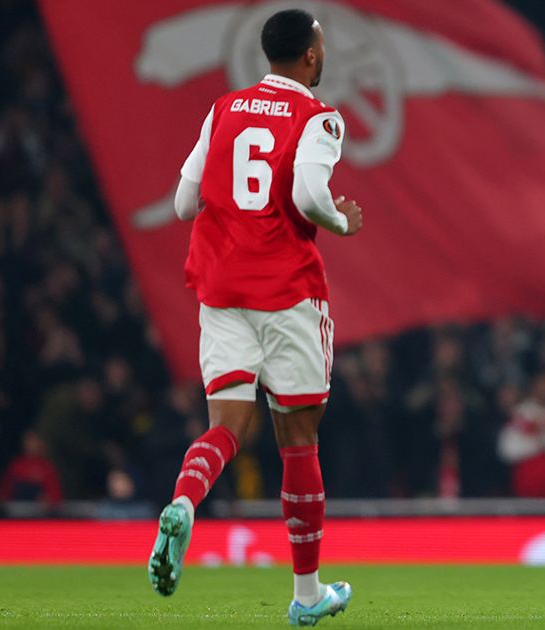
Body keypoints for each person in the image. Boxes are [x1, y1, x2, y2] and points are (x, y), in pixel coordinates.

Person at [147, 9, 362, 627]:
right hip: (288, 294)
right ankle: (306, 595)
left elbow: (186, 202)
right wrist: (341, 221)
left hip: (219, 291)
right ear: (312, 58)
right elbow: (307, 196)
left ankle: (184, 504)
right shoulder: (319, 118)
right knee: (298, 440)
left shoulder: (222, 109)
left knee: (226, 426)